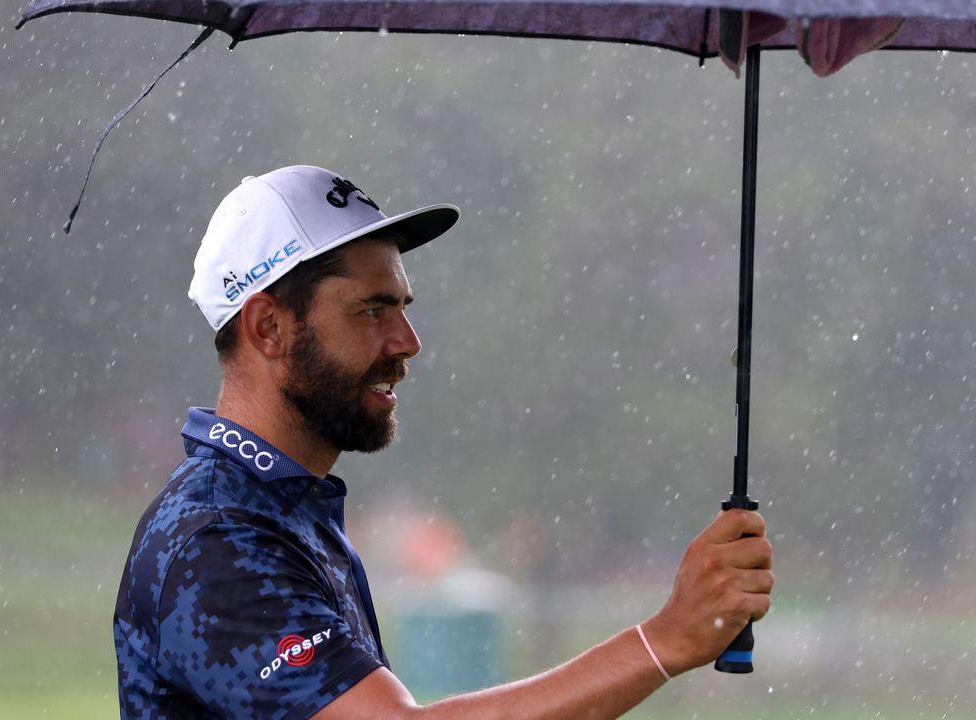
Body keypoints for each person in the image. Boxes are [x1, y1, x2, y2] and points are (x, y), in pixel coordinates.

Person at [114, 165, 774, 719]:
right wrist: (663, 641)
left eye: (403, 307)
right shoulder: (217, 540)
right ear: (268, 329)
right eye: (372, 311)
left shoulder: (279, 510)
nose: (407, 342)